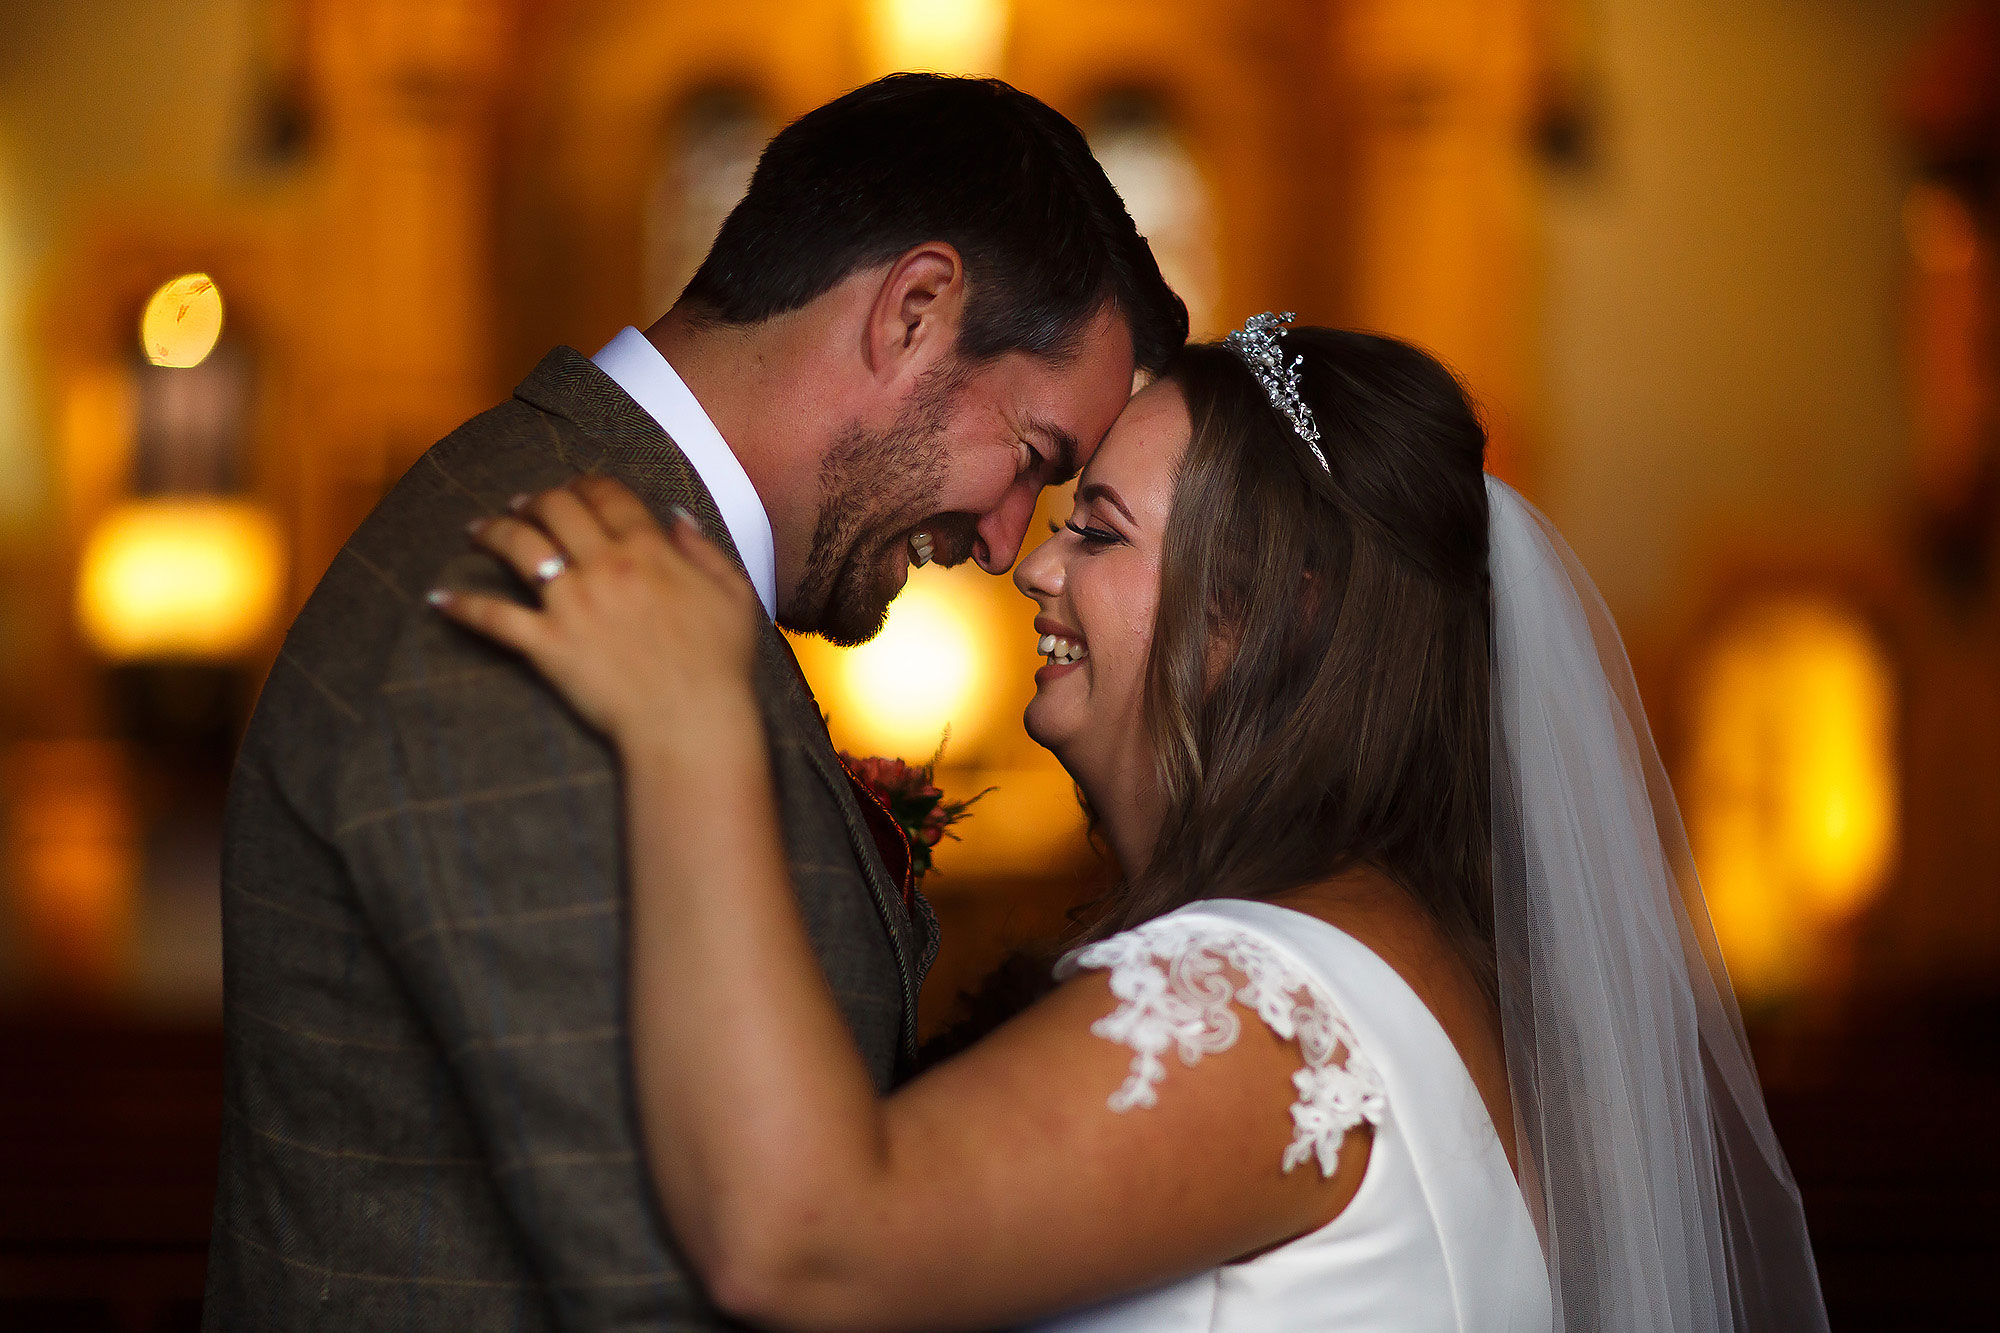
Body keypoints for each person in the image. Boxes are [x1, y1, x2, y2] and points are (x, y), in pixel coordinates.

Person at [436, 316, 1833, 1331]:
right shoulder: (1384, 952)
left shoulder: (1268, 1004)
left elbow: (803, 1245)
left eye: (1098, 530)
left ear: (1260, 619)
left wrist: (693, 730)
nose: (1033, 565)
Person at [201, 73, 1186, 1330]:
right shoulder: (538, 590)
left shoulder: (634, 560)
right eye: (1032, 460)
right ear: (915, 310)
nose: (1004, 544)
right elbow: (656, 1276)